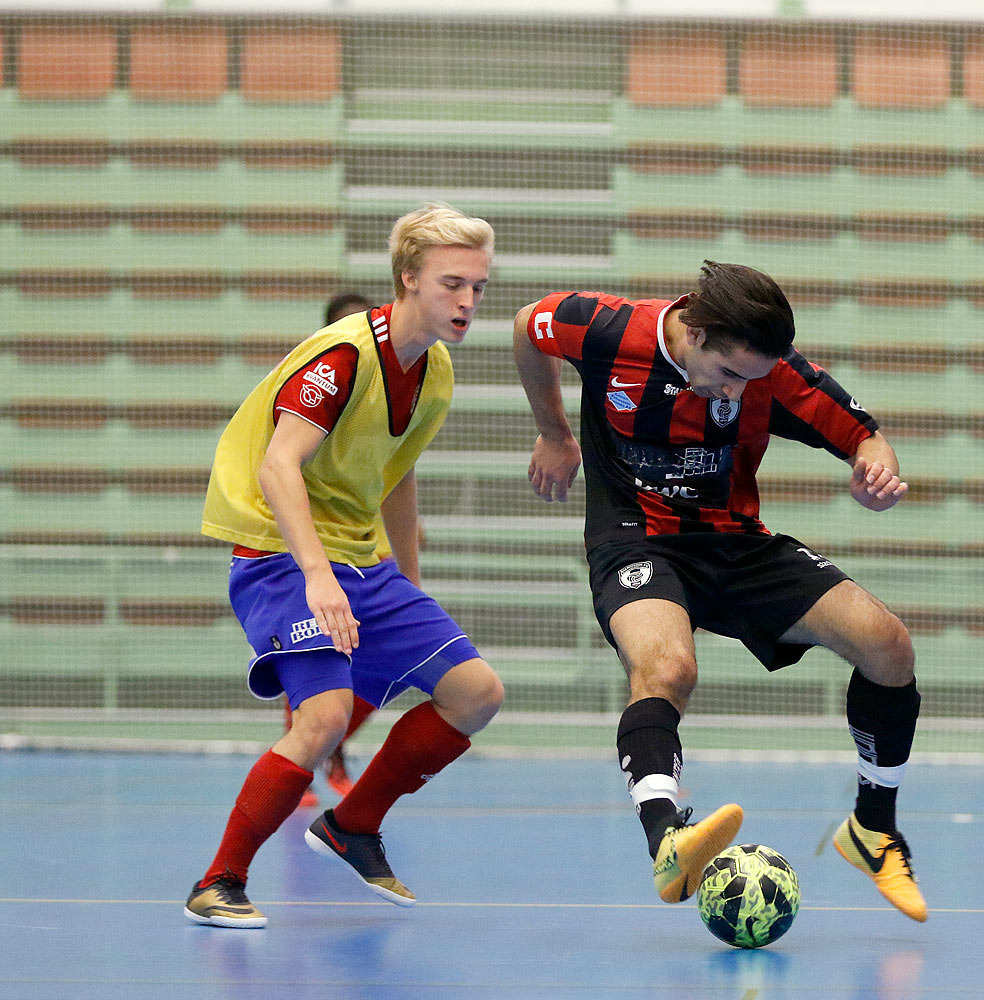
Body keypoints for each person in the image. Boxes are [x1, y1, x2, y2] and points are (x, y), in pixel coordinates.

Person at [512, 262, 927, 922]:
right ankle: (668, 839)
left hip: (734, 542)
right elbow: (527, 329)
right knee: (668, 668)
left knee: (888, 645)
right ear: (693, 332)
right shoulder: (607, 329)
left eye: (754, 378)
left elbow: (864, 436)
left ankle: (873, 830)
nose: (740, 390)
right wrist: (557, 432)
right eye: (730, 373)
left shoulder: (769, 372)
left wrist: (876, 475)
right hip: (635, 538)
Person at [185, 203, 505, 928]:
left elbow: (396, 480)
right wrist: (317, 576)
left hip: (361, 558)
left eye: (479, 287)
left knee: (476, 693)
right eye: (452, 283)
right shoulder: (343, 357)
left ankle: (351, 825)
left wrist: (411, 590)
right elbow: (277, 466)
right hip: (278, 550)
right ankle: (218, 881)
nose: (467, 301)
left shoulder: (435, 371)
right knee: (324, 715)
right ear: (407, 279)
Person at [285, 291, 376, 809]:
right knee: (311, 653)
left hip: (368, 538)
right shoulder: (315, 385)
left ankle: (333, 744)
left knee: (377, 660)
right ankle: (308, 756)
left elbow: (393, 467)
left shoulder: (386, 387)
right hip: (314, 541)